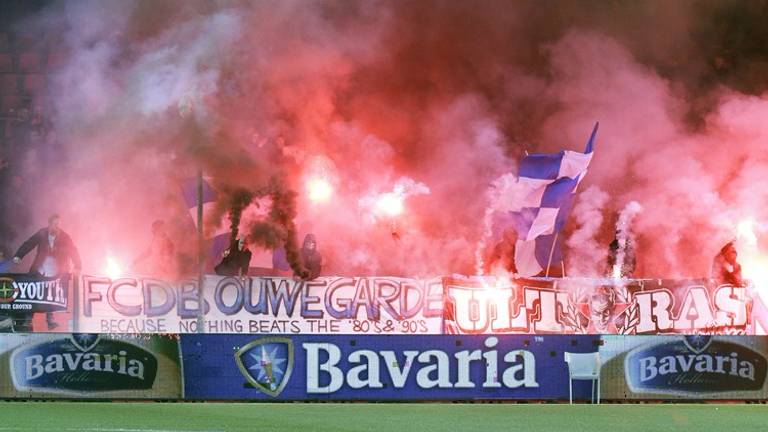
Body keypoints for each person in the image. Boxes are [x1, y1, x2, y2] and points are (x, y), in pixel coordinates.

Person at [13, 213, 81, 330]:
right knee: (34, 294)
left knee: (52, 294)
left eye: (59, 225)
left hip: (56, 270)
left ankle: (50, 320)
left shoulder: (65, 236)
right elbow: (29, 243)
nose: (57, 227)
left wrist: (78, 266)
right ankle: (28, 320)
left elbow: (73, 250)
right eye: (55, 225)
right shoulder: (42, 233)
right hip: (40, 269)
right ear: (49, 224)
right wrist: (19, 255)